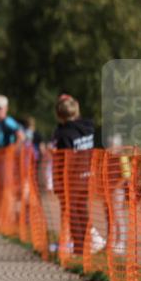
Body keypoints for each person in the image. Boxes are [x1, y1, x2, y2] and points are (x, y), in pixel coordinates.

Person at [50, 94, 94, 257]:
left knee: (73, 210)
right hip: (88, 173)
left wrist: (58, 180)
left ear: (59, 114)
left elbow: (62, 159)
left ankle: (80, 246)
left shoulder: (63, 133)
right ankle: (86, 244)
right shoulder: (89, 127)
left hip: (72, 176)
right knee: (82, 208)